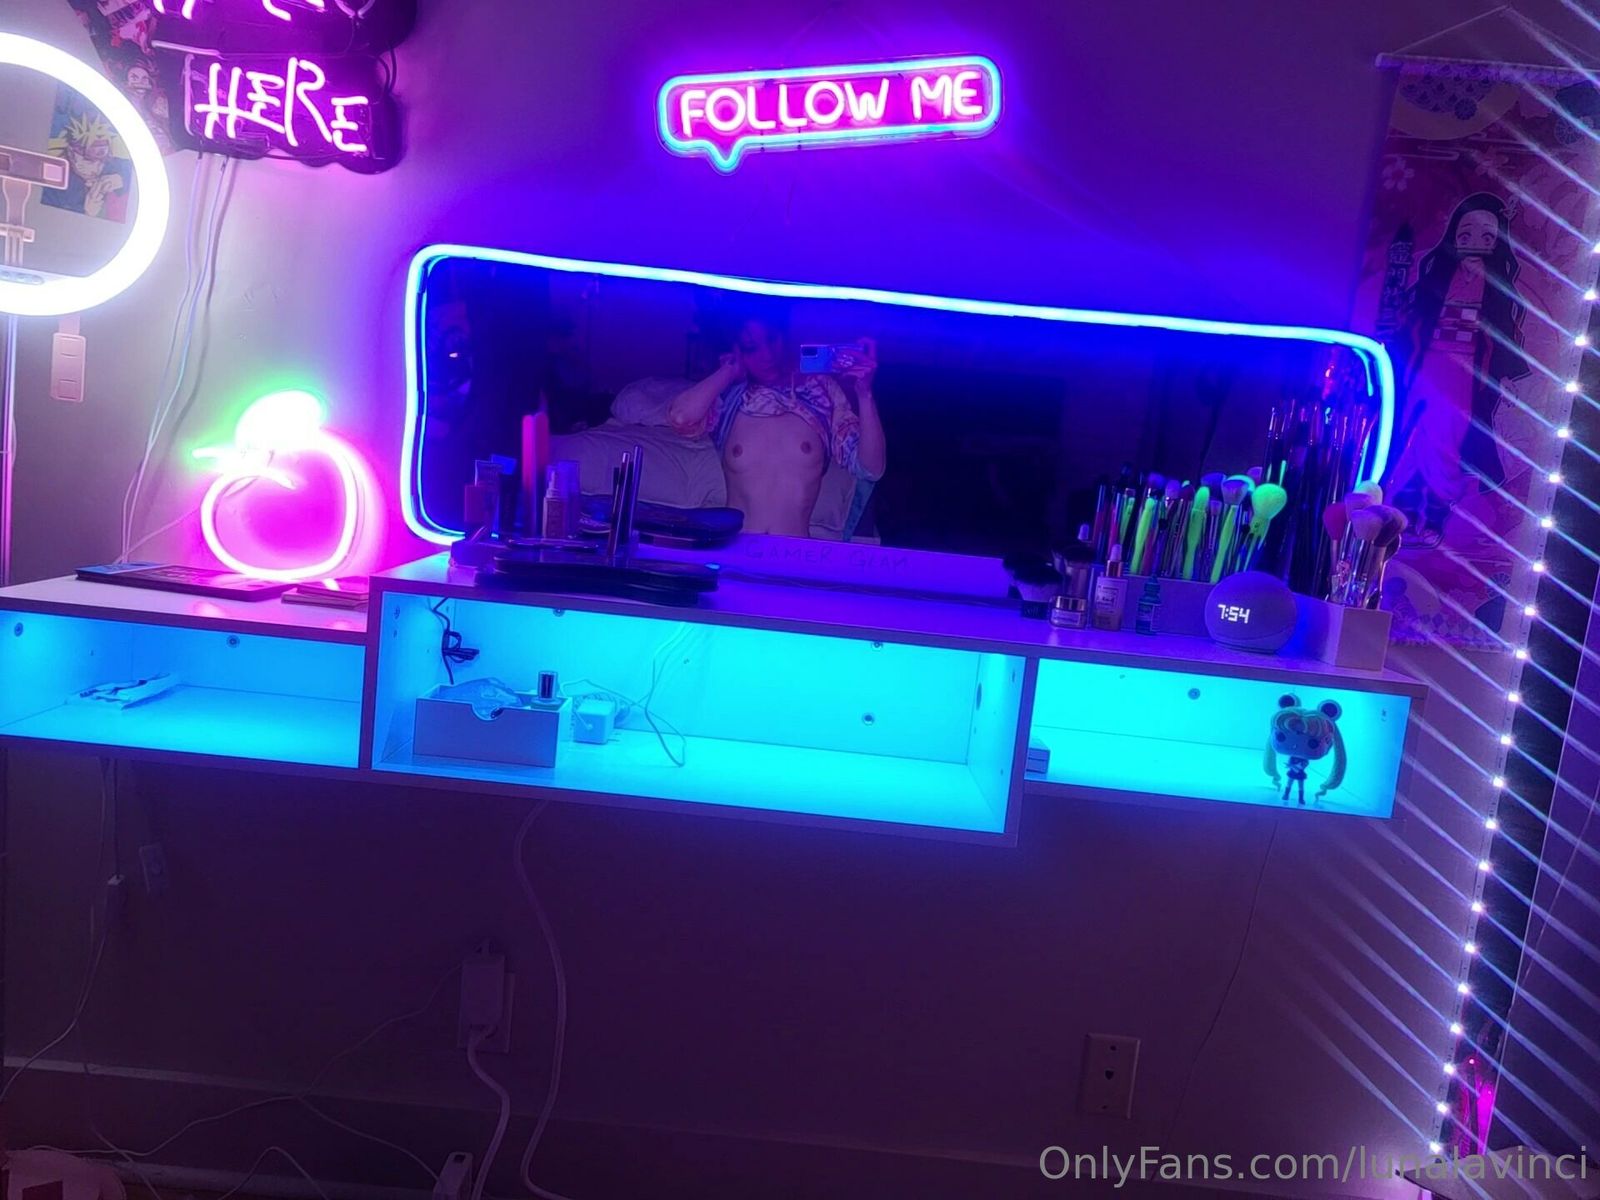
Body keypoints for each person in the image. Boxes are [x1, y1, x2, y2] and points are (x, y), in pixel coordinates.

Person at [669, 306, 886, 537]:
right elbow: (681, 417)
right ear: (738, 350)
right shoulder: (731, 399)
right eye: (752, 348)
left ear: (785, 336)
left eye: (772, 340)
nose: (767, 355)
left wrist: (865, 393)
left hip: (793, 550)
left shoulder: (820, 392)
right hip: (736, 547)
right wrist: (729, 371)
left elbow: (871, 468)